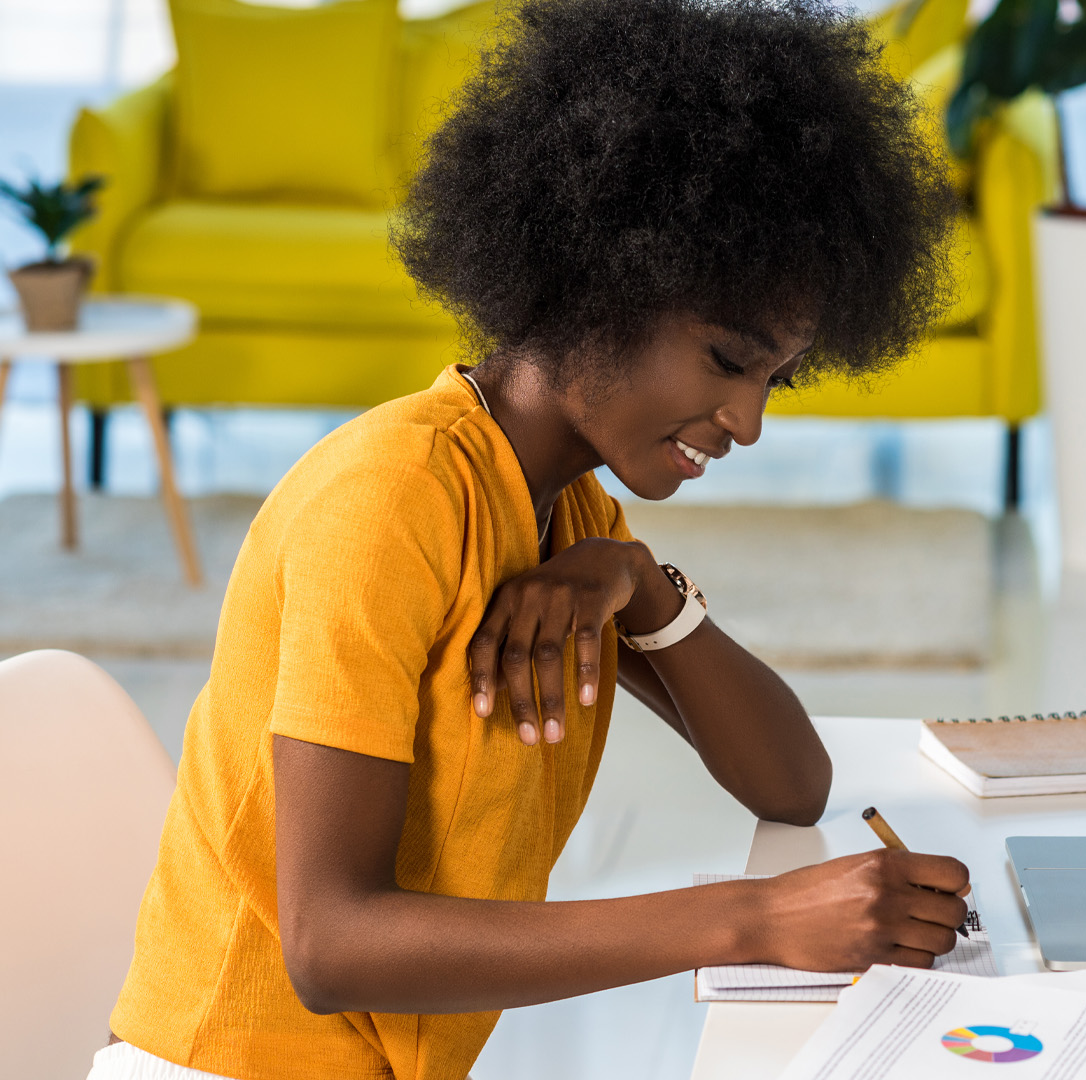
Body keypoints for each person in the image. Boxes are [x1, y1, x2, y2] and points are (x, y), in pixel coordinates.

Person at [94, 1, 966, 1077]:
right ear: (602, 286)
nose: (747, 422)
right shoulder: (390, 501)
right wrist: (752, 921)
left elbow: (793, 784)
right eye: (727, 361)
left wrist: (643, 589)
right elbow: (332, 944)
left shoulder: (571, 511)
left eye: (772, 380)